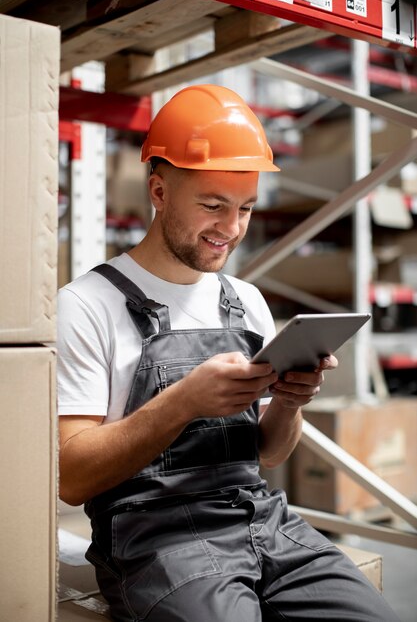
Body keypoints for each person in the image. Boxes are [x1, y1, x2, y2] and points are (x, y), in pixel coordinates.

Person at [58, 84, 398, 622]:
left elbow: (268, 454)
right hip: (157, 541)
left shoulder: (245, 302)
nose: (232, 229)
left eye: (244, 208)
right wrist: (182, 401)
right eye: (213, 206)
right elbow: (70, 477)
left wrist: (290, 402)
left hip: (264, 522)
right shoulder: (87, 304)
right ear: (159, 191)